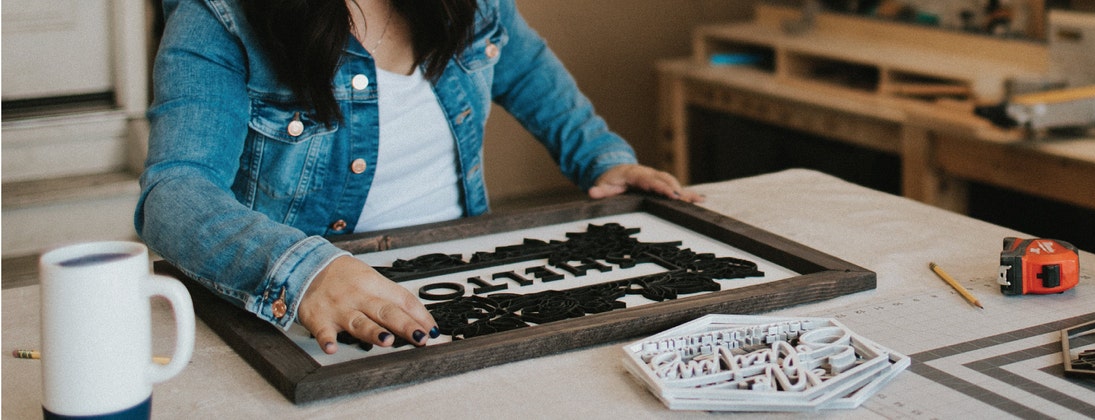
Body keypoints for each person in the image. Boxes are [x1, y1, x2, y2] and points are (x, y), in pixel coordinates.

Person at [139, 0, 701, 354]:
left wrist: (604, 158)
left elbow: (528, 71)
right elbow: (174, 193)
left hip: (469, 290)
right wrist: (306, 271)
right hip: (315, 318)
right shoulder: (215, 16)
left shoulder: (477, 5)